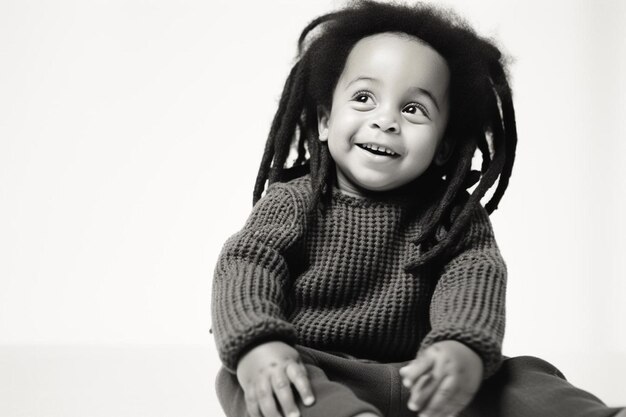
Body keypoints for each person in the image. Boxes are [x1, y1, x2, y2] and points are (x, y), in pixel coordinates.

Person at [211, 1, 625, 416]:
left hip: (424, 383)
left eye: (414, 109)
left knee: (524, 375)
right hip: (319, 368)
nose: (386, 120)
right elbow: (249, 264)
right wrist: (259, 345)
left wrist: (459, 348)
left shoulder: (452, 218)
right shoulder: (293, 202)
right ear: (324, 120)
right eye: (363, 97)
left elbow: (472, 276)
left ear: (443, 147)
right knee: (254, 378)